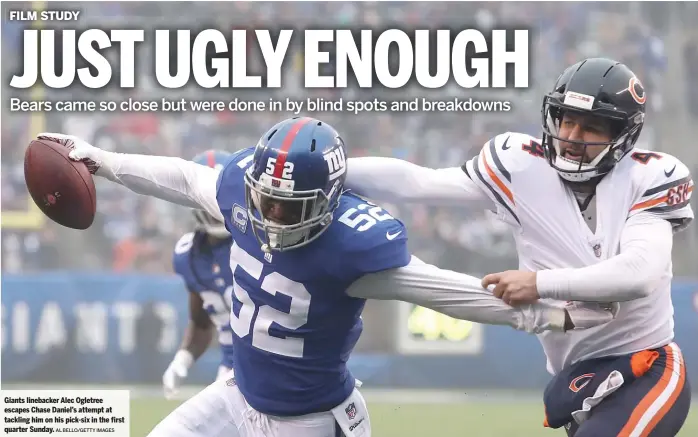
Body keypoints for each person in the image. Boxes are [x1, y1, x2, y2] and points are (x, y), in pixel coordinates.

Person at [42, 116, 615, 437]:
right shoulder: (242, 199)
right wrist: (104, 161)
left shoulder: (351, 249)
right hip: (237, 393)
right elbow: (185, 179)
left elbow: (450, 294)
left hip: (312, 424)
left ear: (329, 200)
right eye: (267, 201)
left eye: (291, 206)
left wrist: (553, 308)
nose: (273, 215)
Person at [344, 58, 693, 436]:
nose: (573, 136)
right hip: (577, 377)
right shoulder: (520, 165)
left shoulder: (650, 176)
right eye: (567, 120)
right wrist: (326, 169)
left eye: (591, 126)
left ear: (622, 136)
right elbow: (417, 183)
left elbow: (639, 275)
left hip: (646, 367)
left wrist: (539, 283)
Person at [163, 150, 236, 400]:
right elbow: (202, 322)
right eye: (207, 197)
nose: (214, 206)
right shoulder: (189, 254)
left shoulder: (260, 244)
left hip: (280, 367)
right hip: (230, 373)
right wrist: (182, 359)